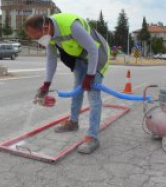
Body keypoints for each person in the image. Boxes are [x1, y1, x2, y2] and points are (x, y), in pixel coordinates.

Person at [25, 13, 110, 154]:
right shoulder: (49, 36)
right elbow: (51, 60)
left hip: (97, 55)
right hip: (80, 57)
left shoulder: (71, 26)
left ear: (45, 28)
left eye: (36, 37)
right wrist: (46, 84)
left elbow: (93, 49)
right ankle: (73, 122)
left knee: (93, 94)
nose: (36, 40)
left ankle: (93, 137)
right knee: (77, 89)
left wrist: (90, 76)